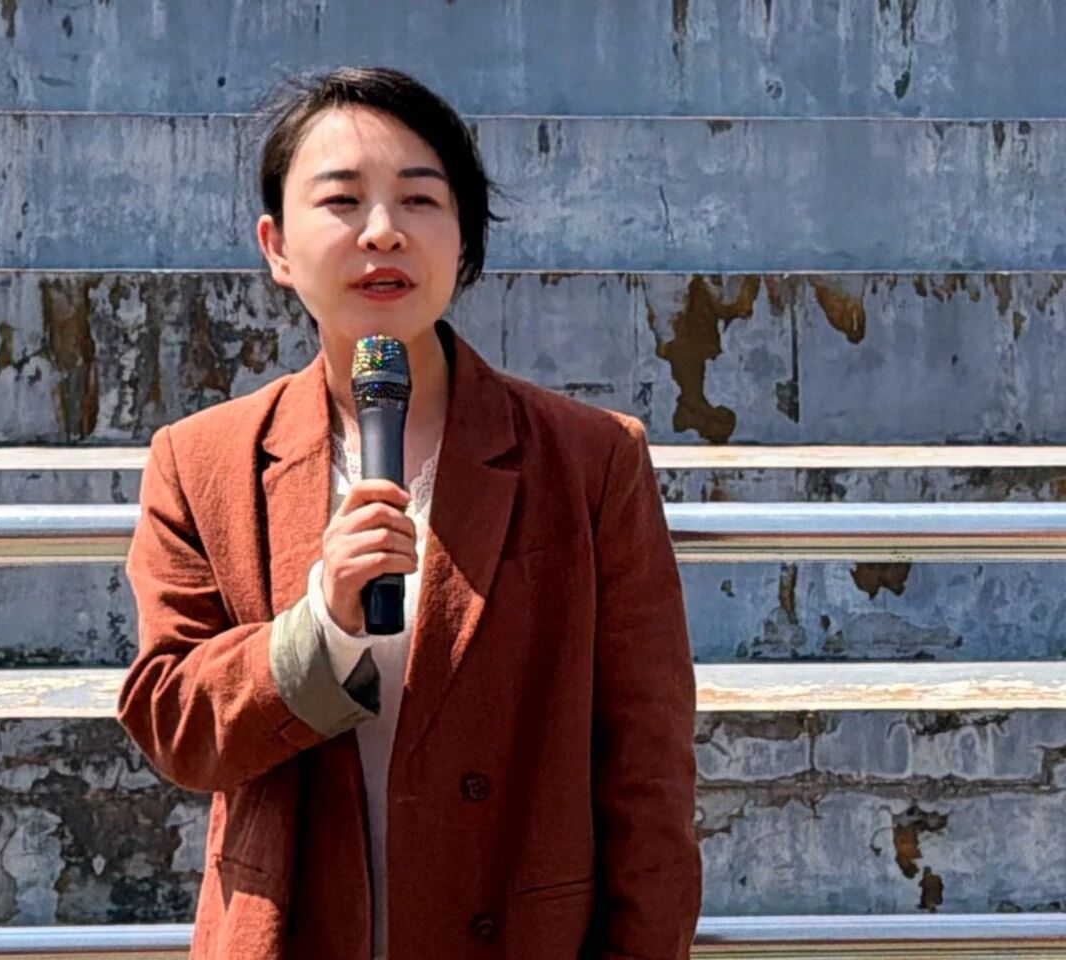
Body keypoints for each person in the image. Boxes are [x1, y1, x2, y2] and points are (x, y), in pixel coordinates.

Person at [117, 65, 701, 960]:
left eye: (421, 200)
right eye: (342, 200)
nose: (383, 231)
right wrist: (319, 628)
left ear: (463, 239)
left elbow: (648, 770)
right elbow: (173, 723)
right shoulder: (202, 462)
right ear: (277, 246)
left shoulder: (589, 460)